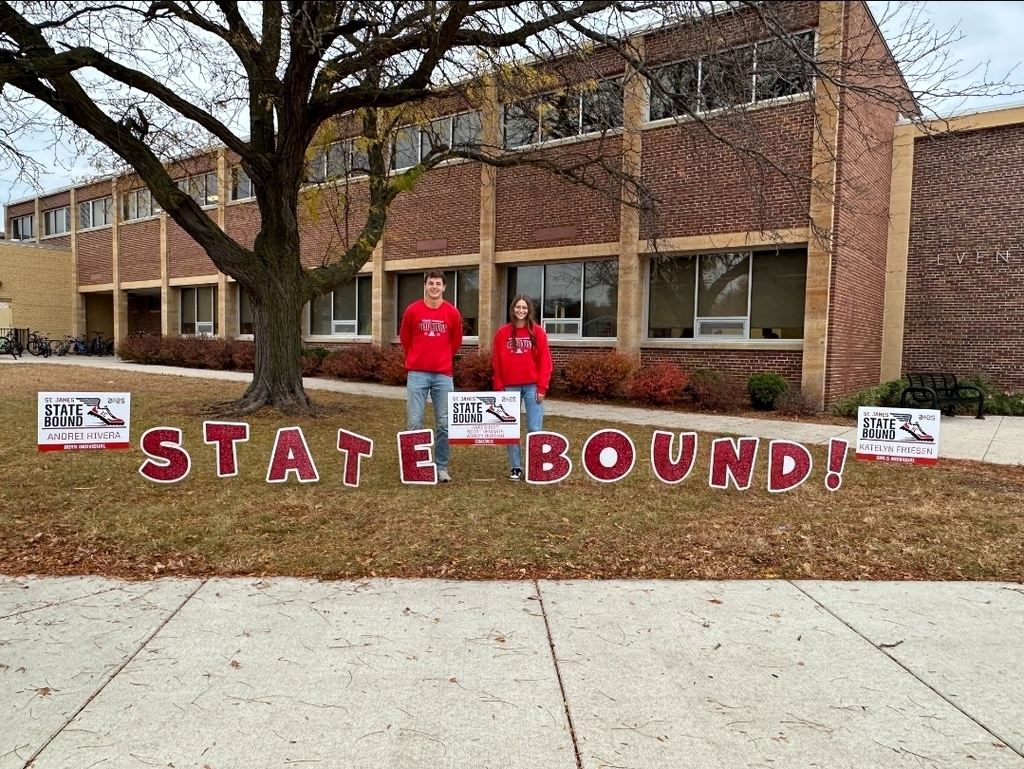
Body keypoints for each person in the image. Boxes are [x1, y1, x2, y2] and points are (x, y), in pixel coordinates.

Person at [400, 271, 463, 483]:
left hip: (443, 375)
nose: (434, 287)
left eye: (438, 283)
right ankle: (413, 466)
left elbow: (455, 342)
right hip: (417, 374)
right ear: (425, 286)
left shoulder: (452, 313)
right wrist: (417, 358)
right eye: (431, 283)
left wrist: (440, 358)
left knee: (444, 423)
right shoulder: (413, 310)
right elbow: (405, 338)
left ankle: (441, 467)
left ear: (444, 287)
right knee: (414, 421)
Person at [491, 294, 553, 481]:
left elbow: (545, 362)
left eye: (524, 308)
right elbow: (497, 362)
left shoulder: (538, 333)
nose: (521, 310)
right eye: (518, 307)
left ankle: (536, 466)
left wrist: (542, 387)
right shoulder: (502, 333)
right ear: (512, 309)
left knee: (534, 428)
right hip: (510, 387)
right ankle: (516, 468)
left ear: (529, 310)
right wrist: (499, 387)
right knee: (511, 428)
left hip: (532, 386)